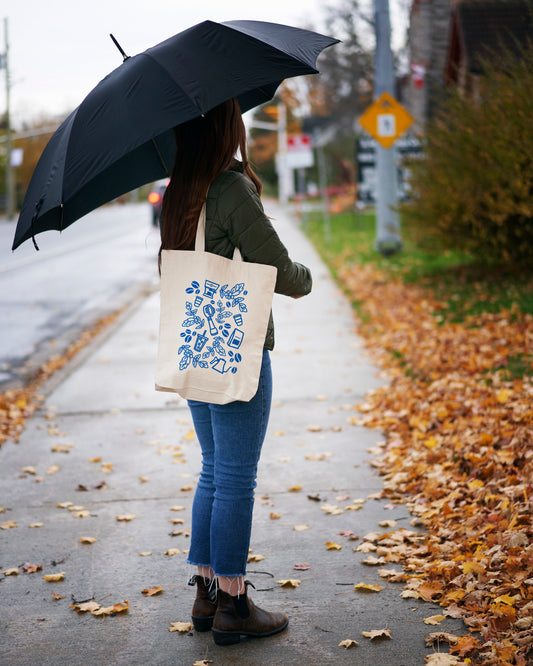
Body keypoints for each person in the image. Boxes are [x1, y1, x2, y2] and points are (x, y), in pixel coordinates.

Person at [159, 98, 312, 646]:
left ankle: (204, 592)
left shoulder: (179, 191)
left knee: (213, 469)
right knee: (236, 479)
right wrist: (308, 275)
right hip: (233, 343)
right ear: (227, 126)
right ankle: (234, 602)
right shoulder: (230, 189)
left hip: (196, 340)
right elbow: (280, 271)